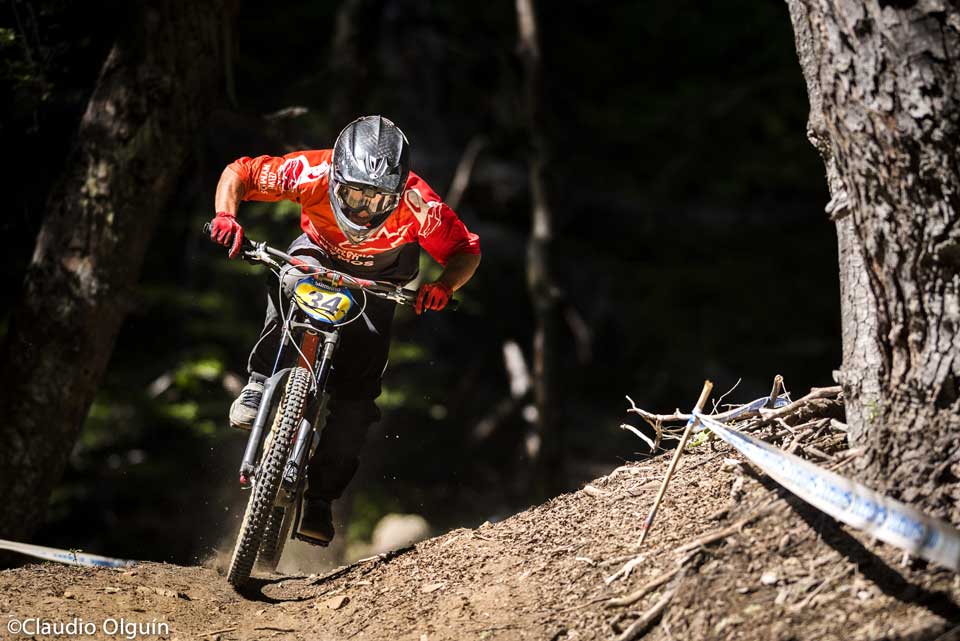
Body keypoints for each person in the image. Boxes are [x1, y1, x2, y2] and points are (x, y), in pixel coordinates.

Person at [208, 115, 481, 545]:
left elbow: (465, 248)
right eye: (354, 194)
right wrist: (226, 216)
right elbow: (239, 173)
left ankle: (319, 500)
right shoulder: (311, 170)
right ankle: (260, 382)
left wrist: (445, 285)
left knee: (357, 401)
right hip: (318, 253)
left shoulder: (419, 204)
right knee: (286, 277)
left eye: (377, 199)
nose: (363, 209)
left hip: (382, 279)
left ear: (398, 192)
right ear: (336, 177)